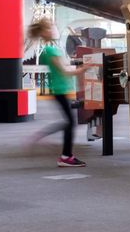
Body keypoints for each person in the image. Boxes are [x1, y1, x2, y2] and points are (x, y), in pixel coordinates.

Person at [27, 18, 92, 167]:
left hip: (58, 90)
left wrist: (76, 64)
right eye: (51, 28)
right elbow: (64, 71)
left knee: (68, 122)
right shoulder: (50, 50)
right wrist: (83, 69)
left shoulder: (48, 50)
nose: (54, 30)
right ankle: (65, 157)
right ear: (43, 32)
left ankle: (62, 152)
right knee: (70, 122)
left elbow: (62, 67)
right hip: (59, 91)